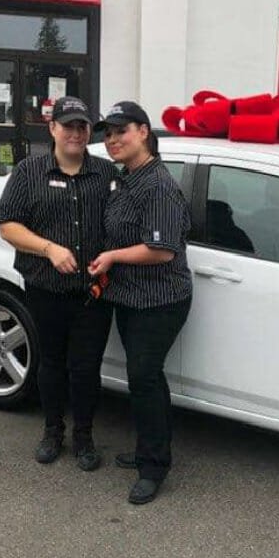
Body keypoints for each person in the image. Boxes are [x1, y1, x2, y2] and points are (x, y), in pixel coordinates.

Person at [0, 96, 120, 471]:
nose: (76, 133)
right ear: (52, 128)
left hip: (94, 294)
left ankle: (84, 436)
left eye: (82, 127)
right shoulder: (29, 172)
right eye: (69, 126)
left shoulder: (106, 174)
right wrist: (48, 248)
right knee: (51, 364)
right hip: (45, 290)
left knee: (86, 369)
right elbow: (8, 226)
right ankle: (52, 431)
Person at [87, 101, 193, 504]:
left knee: (144, 378)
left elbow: (162, 250)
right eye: (108, 133)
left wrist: (112, 256)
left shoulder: (158, 185)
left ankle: (154, 467)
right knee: (146, 379)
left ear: (144, 132)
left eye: (121, 131)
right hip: (129, 297)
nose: (112, 140)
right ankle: (152, 447)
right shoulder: (127, 178)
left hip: (160, 301)